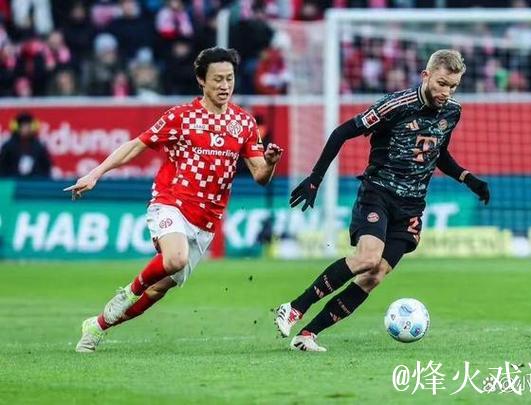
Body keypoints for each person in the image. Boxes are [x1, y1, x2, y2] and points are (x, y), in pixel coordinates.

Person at [66, 47, 283, 353]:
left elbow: (260, 176)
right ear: (201, 80)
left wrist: (270, 162)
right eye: (217, 79)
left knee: (158, 289)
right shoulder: (181, 117)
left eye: (229, 78)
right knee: (175, 259)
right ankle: (128, 292)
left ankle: (98, 326)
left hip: (207, 221)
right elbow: (136, 145)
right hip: (171, 202)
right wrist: (95, 173)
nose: (225, 85)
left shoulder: (244, 123)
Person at [275, 49, 490, 352]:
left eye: (453, 86)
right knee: (367, 258)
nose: (446, 92)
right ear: (426, 76)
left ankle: (308, 334)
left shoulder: (452, 112)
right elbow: (342, 132)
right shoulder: (396, 105)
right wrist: (315, 179)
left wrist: (468, 178)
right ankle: (295, 307)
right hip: (379, 193)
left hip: (412, 207)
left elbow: (437, 152)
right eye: (441, 83)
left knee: (374, 276)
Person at [0, 112, 52, 177]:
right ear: (17, 127)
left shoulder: (39, 147)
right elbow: (2, 168)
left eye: (28, 126)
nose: (25, 129)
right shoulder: (8, 147)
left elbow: (46, 168)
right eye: (22, 126)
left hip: (34, 181)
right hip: (13, 181)